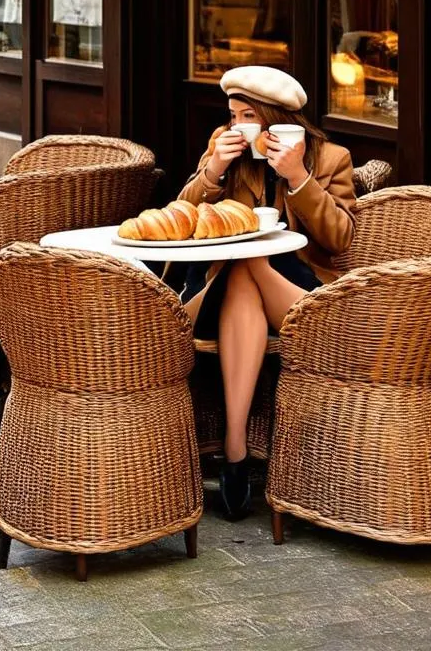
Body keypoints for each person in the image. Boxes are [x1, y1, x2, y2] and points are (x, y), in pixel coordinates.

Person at [178, 65, 356, 521]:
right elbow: (183, 217)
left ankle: (233, 458)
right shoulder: (225, 150)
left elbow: (340, 240)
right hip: (225, 291)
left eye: (247, 117)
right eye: (233, 116)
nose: (237, 127)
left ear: (276, 119)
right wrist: (214, 169)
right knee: (240, 274)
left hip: (299, 294)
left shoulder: (331, 158)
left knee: (248, 263)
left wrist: (299, 178)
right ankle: (236, 445)